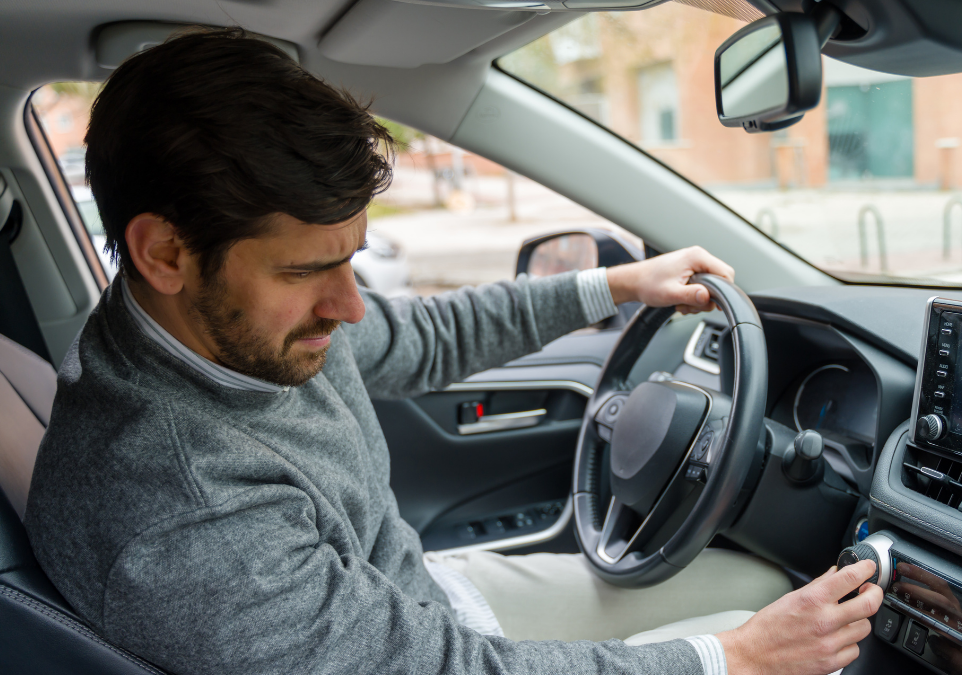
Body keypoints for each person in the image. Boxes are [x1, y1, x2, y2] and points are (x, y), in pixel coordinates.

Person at [24, 29, 882, 675]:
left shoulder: (223, 326)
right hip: (431, 648)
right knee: (782, 641)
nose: (350, 305)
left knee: (759, 587)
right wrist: (733, 660)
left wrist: (616, 287)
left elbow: (424, 337)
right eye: (309, 270)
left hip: (420, 607)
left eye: (352, 259)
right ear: (164, 252)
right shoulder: (188, 515)